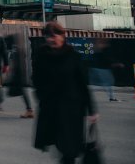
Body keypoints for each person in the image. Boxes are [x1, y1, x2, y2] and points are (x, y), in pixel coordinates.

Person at [33, 22, 97, 164]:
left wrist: (92, 110)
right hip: (51, 108)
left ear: (63, 36)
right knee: (59, 143)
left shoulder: (73, 56)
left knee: (69, 148)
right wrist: (41, 96)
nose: (50, 39)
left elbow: (82, 84)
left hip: (72, 109)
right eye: (47, 36)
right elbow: (36, 79)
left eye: (54, 35)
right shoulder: (41, 55)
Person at [4, 34, 33, 118]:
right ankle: (29, 110)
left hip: (18, 74)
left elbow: (15, 63)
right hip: (20, 73)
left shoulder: (15, 50)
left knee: (23, 92)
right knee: (23, 92)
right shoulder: (18, 49)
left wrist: (11, 73)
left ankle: (29, 110)